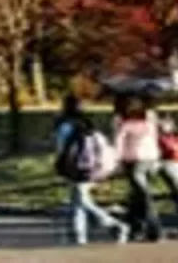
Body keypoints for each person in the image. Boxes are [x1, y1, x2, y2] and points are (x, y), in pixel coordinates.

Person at [54, 95, 128, 245]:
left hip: (75, 167)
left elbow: (61, 148)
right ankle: (79, 235)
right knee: (78, 200)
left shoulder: (65, 125)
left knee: (81, 199)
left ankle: (114, 224)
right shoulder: (88, 124)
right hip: (93, 166)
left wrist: (61, 165)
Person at [114, 93, 163, 242]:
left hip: (134, 161)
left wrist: (117, 162)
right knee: (137, 197)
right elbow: (155, 139)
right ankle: (135, 227)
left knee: (144, 197)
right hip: (150, 159)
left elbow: (119, 144)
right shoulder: (149, 123)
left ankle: (155, 230)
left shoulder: (125, 125)